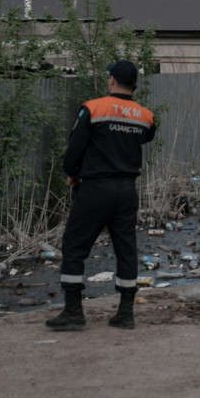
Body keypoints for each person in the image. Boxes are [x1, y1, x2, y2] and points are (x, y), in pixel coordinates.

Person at [46, 60, 156, 331]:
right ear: (135, 85)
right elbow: (144, 138)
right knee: (126, 250)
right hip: (127, 190)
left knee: (74, 246)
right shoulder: (145, 115)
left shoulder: (92, 108)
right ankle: (125, 314)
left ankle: (73, 312)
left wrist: (71, 173)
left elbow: (75, 148)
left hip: (95, 189)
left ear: (111, 80)